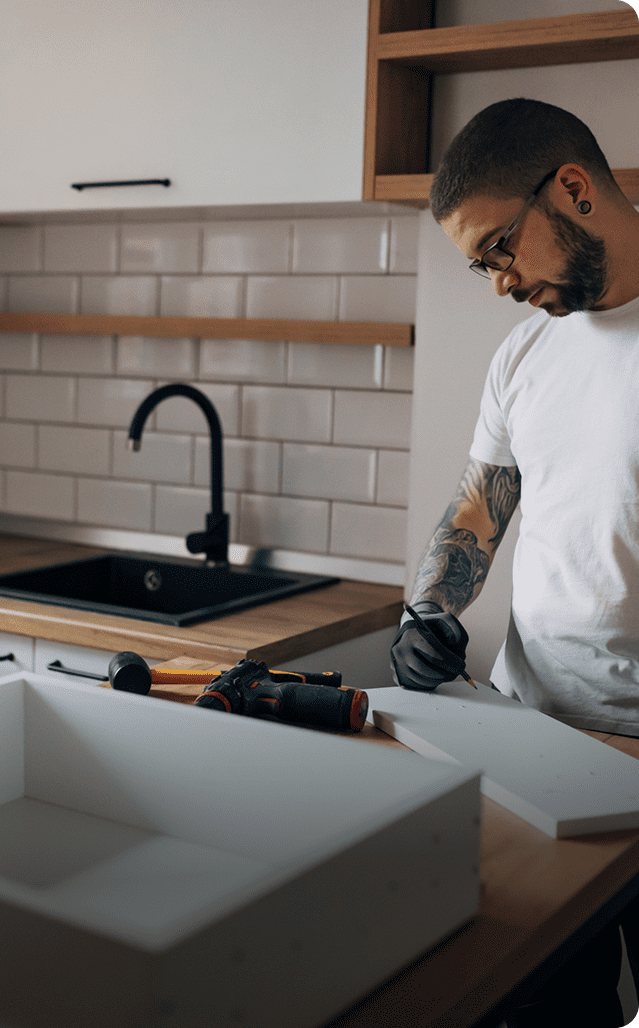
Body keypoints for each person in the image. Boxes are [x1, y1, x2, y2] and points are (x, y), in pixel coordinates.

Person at [389, 98, 639, 1028]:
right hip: (535, 737)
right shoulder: (526, 349)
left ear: (572, 189)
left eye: (501, 248)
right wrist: (427, 613)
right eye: (478, 264)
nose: (497, 282)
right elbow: (478, 505)